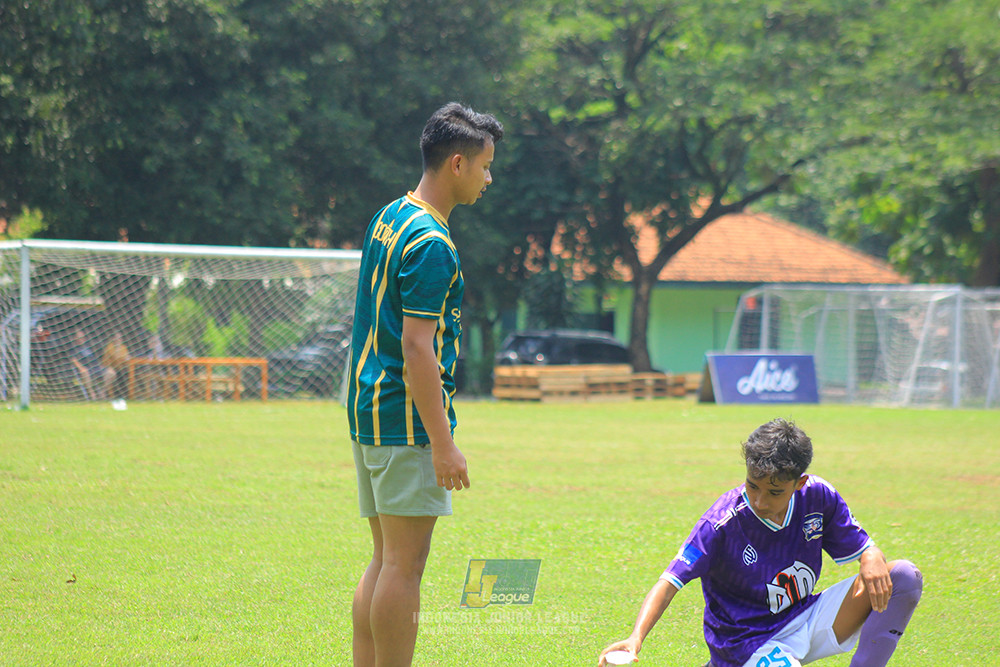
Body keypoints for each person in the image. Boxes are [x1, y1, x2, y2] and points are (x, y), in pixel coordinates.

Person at [347, 102, 503, 667]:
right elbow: (417, 347)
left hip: (369, 408)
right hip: (405, 419)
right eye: (485, 166)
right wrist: (443, 443)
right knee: (404, 565)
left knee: (385, 559)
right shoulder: (432, 242)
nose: (488, 178)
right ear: (457, 163)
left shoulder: (391, 215)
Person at [599, 419, 923, 667]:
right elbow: (669, 583)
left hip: (805, 616)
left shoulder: (819, 496)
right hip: (746, 642)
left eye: (774, 492)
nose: (759, 500)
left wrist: (871, 553)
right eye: (752, 486)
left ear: (799, 483)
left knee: (903, 577)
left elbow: (864, 548)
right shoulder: (720, 523)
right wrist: (635, 638)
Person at [101, 331, 130, 398]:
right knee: (114, 373)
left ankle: (125, 395)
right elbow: (114, 358)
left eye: (120, 338)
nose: (118, 340)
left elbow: (126, 357)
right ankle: (106, 393)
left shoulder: (123, 347)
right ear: (113, 338)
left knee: (126, 373)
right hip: (110, 367)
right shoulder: (110, 346)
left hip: (121, 367)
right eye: (117, 338)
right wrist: (118, 349)